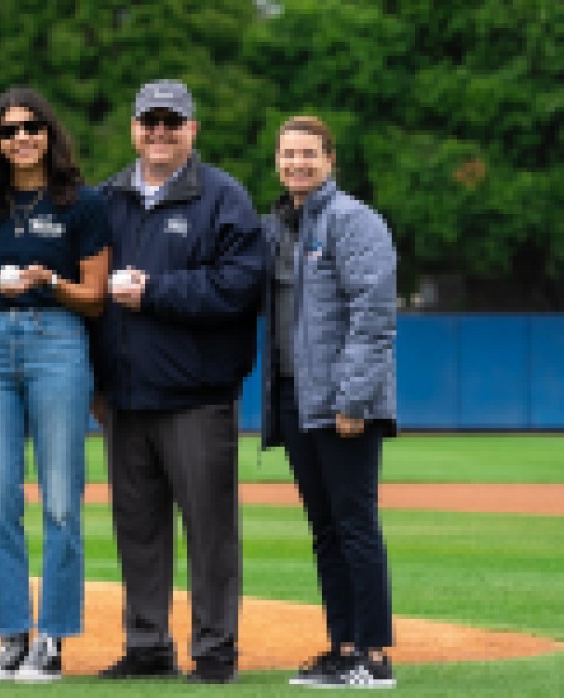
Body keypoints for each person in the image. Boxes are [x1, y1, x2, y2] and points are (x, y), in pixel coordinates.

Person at [93, 80, 265, 685]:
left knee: (209, 531)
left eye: (172, 122)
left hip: (197, 395)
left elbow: (240, 286)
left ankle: (215, 650)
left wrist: (155, 292)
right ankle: (148, 644)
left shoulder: (223, 197)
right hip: (125, 396)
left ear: (192, 129)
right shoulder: (106, 199)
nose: (160, 132)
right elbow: (88, 295)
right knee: (137, 529)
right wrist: (97, 381)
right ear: (134, 129)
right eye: (151, 122)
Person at [0, 86, 110, 682]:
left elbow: (96, 298)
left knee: (60, 500)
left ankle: (51, 638)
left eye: (31, 127)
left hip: (57, 338)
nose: (20, 137)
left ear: (49, 134)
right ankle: (11, 636)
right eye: (8, 130)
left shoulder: (83, 203)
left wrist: (49, 280)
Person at [260, 115, 397, 688]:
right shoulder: (277, 226)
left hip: (343, 403)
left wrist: (353, 399)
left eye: (308, 154)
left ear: (329, 160)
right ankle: (343, 648)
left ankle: (374, 655)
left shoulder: (352, 220)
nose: (297, 163)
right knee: (325, 529)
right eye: (288, 154)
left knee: (354, 524)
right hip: (295, 399)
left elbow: (373, 315)